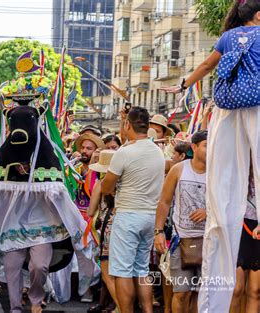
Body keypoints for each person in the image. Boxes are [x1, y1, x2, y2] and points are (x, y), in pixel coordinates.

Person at [161, 2, 260, 310]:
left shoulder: (228, 37)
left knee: (224, 171)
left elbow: (205, 67)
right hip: (256, 105)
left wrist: (183, 85)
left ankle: (219, 210)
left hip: (228, 110)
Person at [100, 107, 165, 313]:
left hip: (128, 216)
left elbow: (106, 188)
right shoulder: (157, 151)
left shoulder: (124, 153)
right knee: (141, 270)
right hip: (150, 217)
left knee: (122, 272)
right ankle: (147, 310)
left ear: (128, 125)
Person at [154, 130, 208, 313]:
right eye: (206, 145)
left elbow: (228, 204)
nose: (211, 150)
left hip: (208, 241)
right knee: (182, 292)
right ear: (194, 147)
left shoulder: (218, 173)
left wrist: (209, 212)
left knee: (201, 294)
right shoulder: (179, 169)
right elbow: (164, 201)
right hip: (181, 240)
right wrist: (159, 232)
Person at [87, 149, 119, 313]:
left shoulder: (101, 183)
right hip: (124, 227)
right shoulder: (124, 182)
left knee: (107, 274)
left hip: (107, 229)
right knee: (123, 273)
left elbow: (91, 211)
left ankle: (121, 307)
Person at [230, 167, 260, 313]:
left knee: (255, 290)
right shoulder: (239, 165)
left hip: (257, 230)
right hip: (239, 228)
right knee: (236, 289)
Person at [73, 133, 105, 221]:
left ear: (97, 151)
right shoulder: (73, 170)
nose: (84, 151)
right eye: (82, 147)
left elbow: (92, 191)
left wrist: (92, 164)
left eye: (89, 148)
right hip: (75, 217)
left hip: (93, 218)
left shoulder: (101, 172)